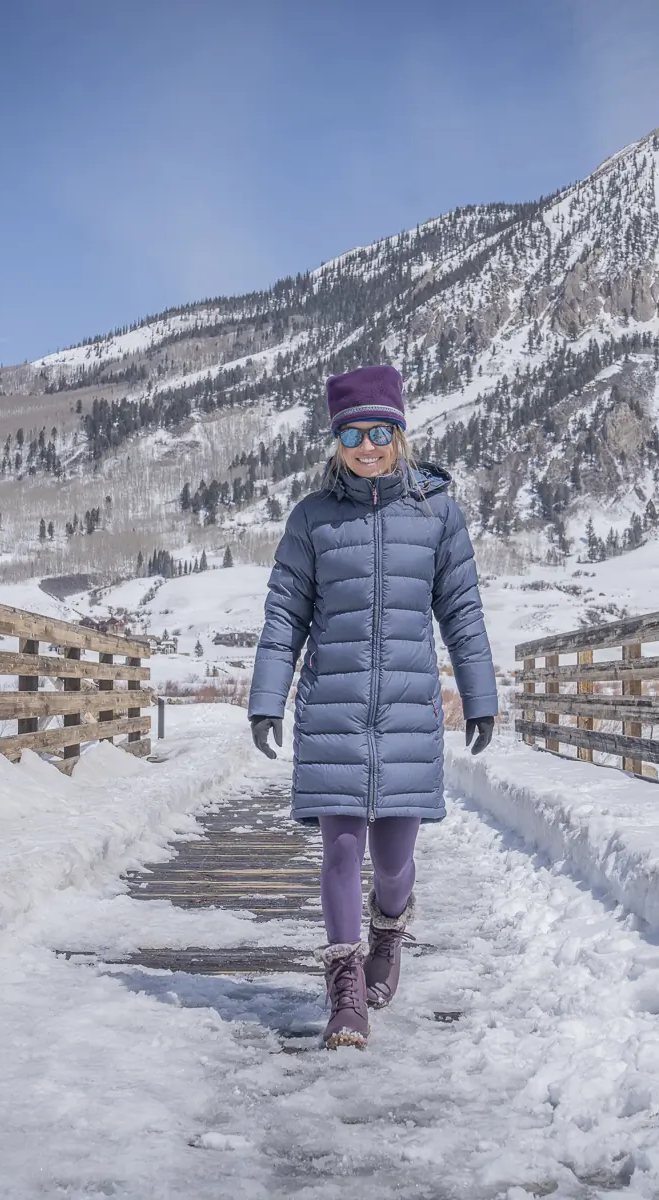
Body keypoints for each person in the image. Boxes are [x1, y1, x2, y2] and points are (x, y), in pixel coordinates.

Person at [248, 363, 497, 1050]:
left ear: (400, 433)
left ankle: (388, 932)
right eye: (354, 433)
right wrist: (267, 698)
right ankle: (345, 989)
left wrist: (480, 694)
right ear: (337, 440)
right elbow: (283, 617)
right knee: (340, 851)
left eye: (380, 431)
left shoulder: (437, 515)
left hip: (407, 715)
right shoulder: (312, 519)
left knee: (391, 861)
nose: (367, 445)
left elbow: (463, 612)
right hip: (333, 709)